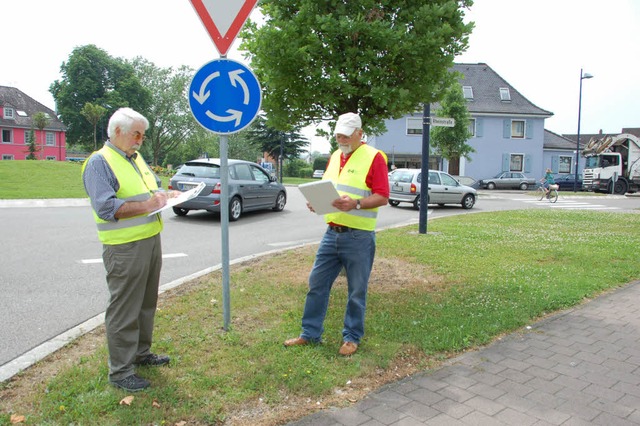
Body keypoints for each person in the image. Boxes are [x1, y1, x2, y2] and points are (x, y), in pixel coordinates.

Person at [82, 107, 175, 392]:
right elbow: (107, 207)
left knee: (146, 303)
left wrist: (168, 196)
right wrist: (149, 205)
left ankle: (141, 354)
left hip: (149, 239)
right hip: (124, 248)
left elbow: (152, 191)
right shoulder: (100, 162)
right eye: (137, 134)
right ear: (117, 131)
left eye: (143, 136)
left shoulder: (134, 158)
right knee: (124, 309)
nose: (140, 140)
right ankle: (121, 372)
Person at [284, 112, 389, 356]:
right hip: (331, 233)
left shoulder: (375, 158)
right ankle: (309, 334)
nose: (340, 138)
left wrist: (357, 203)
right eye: (338, 134)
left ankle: (351, 337)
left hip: (359, 236)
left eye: (345, 134)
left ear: (359, 134)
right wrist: (316, 202)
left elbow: (382, 196)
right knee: (316, 284)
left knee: (357, 290)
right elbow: (328, 189)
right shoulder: (334, 157)